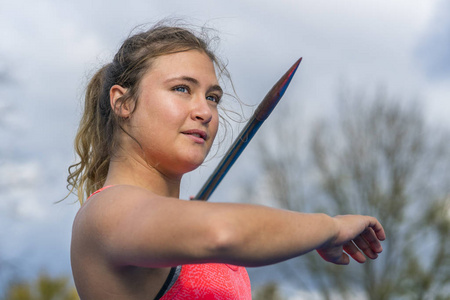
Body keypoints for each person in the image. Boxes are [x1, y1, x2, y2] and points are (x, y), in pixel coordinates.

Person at [68, 22, 385, 300]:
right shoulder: (107, 212)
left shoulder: (184, 217)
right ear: (123, 102)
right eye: (182, 88)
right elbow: (222, 233)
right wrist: (330, 227)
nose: (205, 112)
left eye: (212, 97)